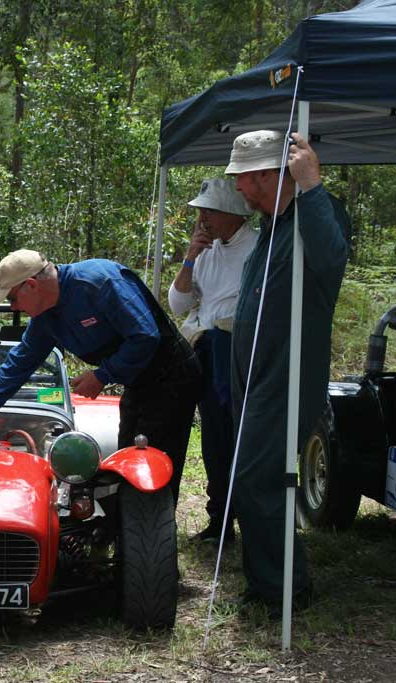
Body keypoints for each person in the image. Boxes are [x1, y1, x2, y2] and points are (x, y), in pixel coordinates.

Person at [0, 251, 202, 502]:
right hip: (137, 381)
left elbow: (145, 336)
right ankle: (127, 524)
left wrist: (102, 376)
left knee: (150, 466)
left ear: (31, 285)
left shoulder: (99, 282)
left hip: (172, 374)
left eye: (12, 298)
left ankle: (151, 526)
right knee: (125, 458)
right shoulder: (45, 317)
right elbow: (17, 366)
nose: (13, 307)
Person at [225, 130, 349, 613]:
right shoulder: (273, 224)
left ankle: (286, 589)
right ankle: (265, 582)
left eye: (242, 178)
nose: (238, 187)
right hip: (254, 372)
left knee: (259, 478)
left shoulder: (316, 211)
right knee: (249, 476)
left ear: (264, 175)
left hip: (286, 373)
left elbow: (331, 260)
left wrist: (312, 185)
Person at [168, 178, 256, 543]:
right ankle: (219, 518)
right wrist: (190, 257)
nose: (202, 219)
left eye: (209, 211)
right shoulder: (207, 251)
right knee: (214, 439)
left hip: (236, 351)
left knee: (236, 436)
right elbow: (178, 304)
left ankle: (246, 519)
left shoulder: (257, 247)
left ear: (233, 213)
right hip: (207, 349)